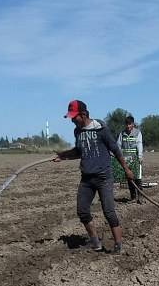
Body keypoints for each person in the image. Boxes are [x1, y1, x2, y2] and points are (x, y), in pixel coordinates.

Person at [53, 100, 134, 254]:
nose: (72, 120)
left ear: (83, 115)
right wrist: (64, 156)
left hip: (104, 177)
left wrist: (126, 169)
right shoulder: (78, 131)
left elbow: (115, 149)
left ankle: (118, 245)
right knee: (82, 211)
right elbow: (79, 151)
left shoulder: (101, 129)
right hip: (87, 178)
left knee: (109, 212)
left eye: (74, 117)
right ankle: (95, 242)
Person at [116, 115, 144, 203]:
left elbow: (139, 144)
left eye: (130, 124)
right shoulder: (122, 133)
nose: (128, 126)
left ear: (133, 124)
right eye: (127, 124)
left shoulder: (137, 133)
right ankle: (133, 197)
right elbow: (118, 146)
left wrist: (140, 156)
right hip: (126, 159)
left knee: (138, 178)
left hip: (135, 158)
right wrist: (118, 157)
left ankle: (140, 197)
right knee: (129, 178)